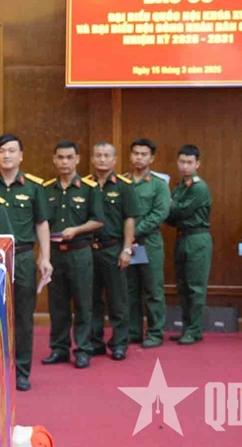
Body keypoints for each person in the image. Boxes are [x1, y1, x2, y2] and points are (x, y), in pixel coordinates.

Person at [0, 134, 52, 392]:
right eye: (2, 150)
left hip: (22, 257)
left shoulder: (33, 187)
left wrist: (45, 257)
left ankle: (21, 371)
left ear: (21, 156)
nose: (7, 155)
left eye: (12, 151)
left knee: (23, 317)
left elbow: (42, 223)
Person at [40, 141, 103, 370]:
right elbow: (42, 223)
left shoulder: (89, 188)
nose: (64, 162)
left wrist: (76, 230)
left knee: (83, 303)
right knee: (57, 305)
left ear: (77, 159)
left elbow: (98, 220)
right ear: (54, 160)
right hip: (55, 253)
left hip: (80, 252)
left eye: (69, 157)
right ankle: (59, 348)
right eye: (60, 157)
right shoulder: (46, 189)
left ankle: (83, 350)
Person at [85, 142, 138, 361]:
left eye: (107, 155)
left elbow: (130, 219)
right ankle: (94, 342)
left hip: (113, 248)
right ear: (91, 159)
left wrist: (126, 249)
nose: (102, 159)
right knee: (91, 300)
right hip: (88, 249)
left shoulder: (124, 186)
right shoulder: (85, 185)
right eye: (98, 155)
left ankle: (119, 343)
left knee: (118, 300)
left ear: (114, 160)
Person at [124, 138, 170, 349]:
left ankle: (155, 332)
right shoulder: (123, 182)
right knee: (130, 289)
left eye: (143, 154)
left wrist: (132, 233)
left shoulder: (159, 185)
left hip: (149, 243)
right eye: (135, 153)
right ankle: (133, 331)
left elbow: (159, 213)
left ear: (151, 158)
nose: (139, 157)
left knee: (153, 290)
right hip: (127, 245)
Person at [165, 144, 213, 346]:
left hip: (197, 239)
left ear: (197, 164)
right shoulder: (180, 186)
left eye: (189, 162)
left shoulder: (198, 187)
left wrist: (166, 204)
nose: (185, 166)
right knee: (183, 286)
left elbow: (179, 211)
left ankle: (194, 330)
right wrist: (168, 208)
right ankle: (188, 328)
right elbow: (170, 217)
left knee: (195, 287)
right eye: (182, 162)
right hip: (182, 236)